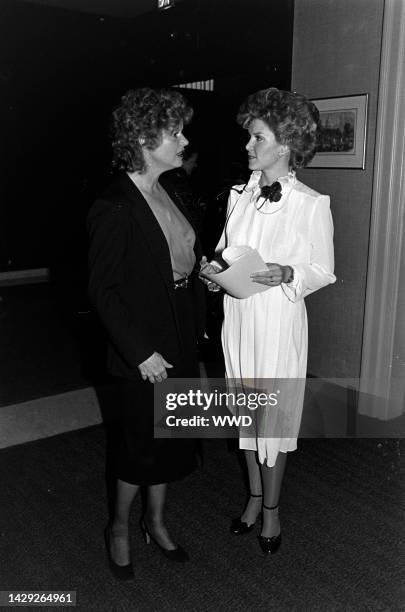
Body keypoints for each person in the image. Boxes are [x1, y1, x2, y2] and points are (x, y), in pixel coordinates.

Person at [201, 87, 336, 554]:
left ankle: (272, 511)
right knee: (245, 414)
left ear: (285, 144)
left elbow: (324, 269)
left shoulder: (312, 203)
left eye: (257, 138)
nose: (248, 146)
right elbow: (225, 250)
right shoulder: (239, 195)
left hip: (278, 321)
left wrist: (287, 272)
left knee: (272, 421)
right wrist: (214, 274)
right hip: (238, 317)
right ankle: (254, 499)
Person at [87, 87, 205, 578]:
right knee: (139, 447)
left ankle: (155, 523)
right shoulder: (114, 204)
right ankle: (118, 527)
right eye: (173, 131)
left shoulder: (166, 190)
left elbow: (179, 260)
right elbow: (103, 291)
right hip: (143, 350)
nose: (183, 140)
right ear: (141, 137)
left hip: (178, 331)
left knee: (172, 437)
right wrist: (140, 353)